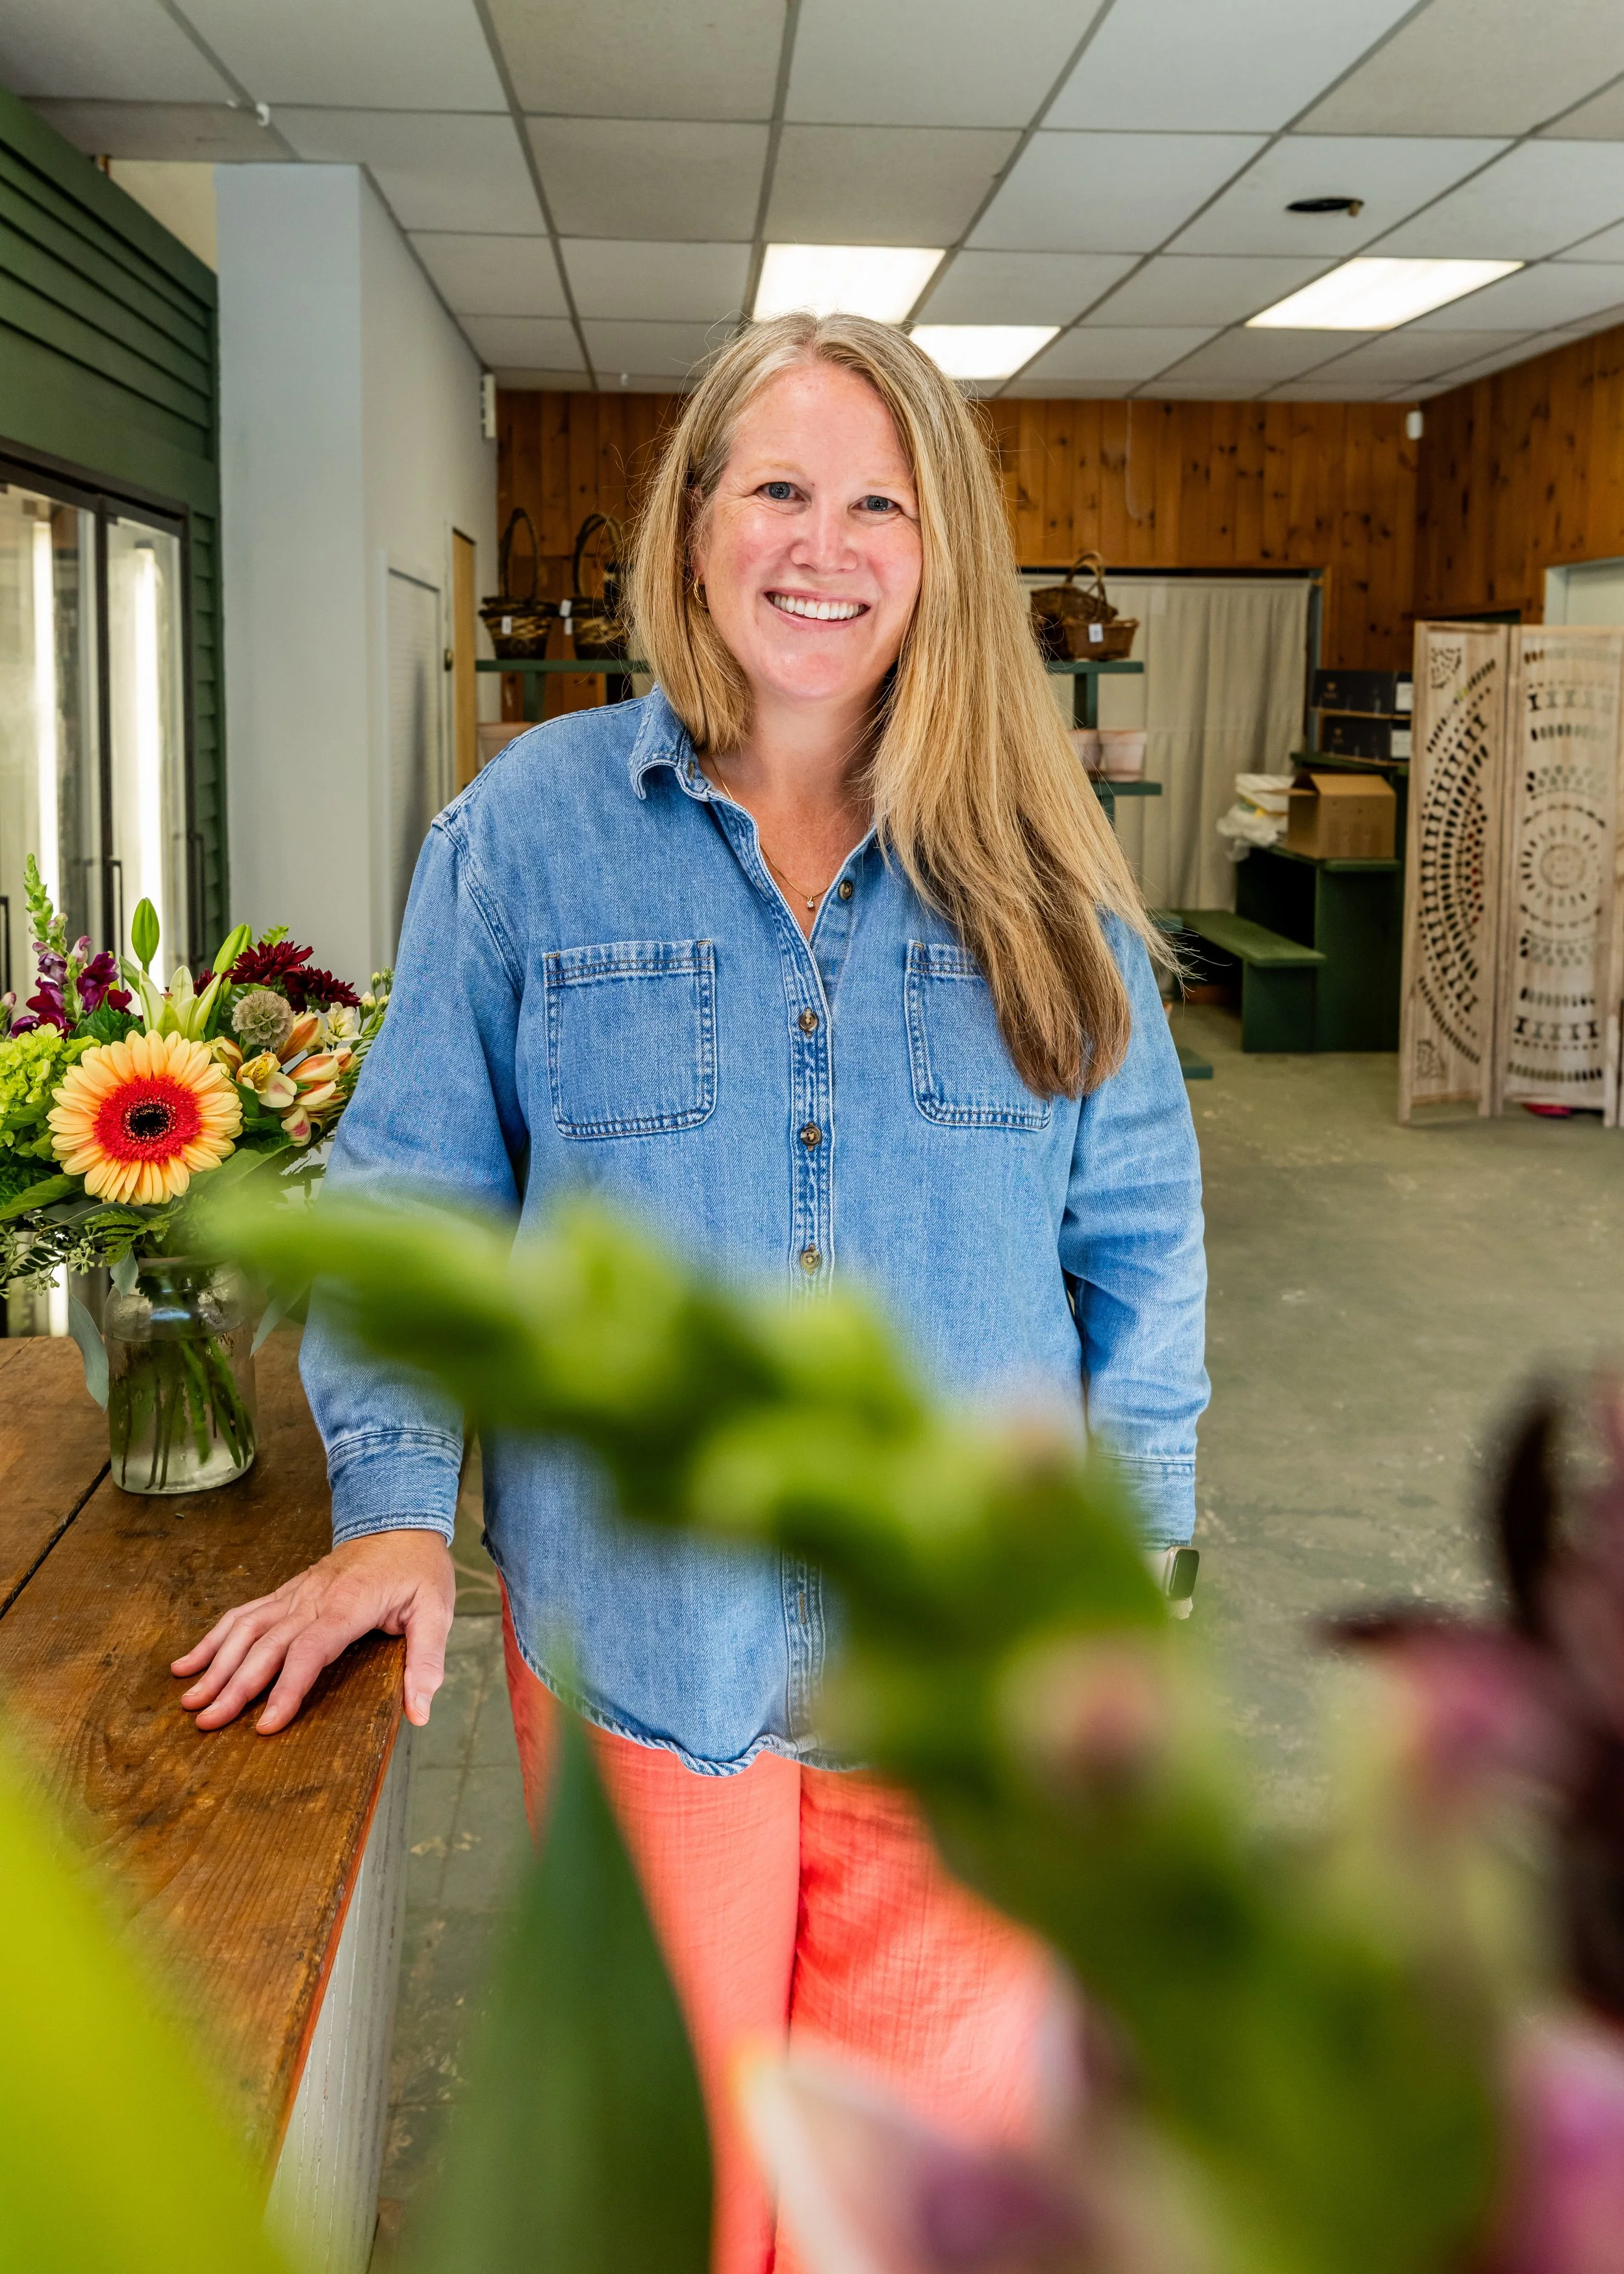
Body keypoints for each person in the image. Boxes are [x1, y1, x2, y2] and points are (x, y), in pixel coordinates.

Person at [173, 313, 1208, 2274]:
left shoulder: (1043, 871)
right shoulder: (526, 837)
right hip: (655, 1663)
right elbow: (412, 1199)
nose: (824, 544)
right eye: (780, 489)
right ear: (696, 523)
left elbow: (1137, 1240)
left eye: (878, 501)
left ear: (940, 550)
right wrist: (391, 1506)